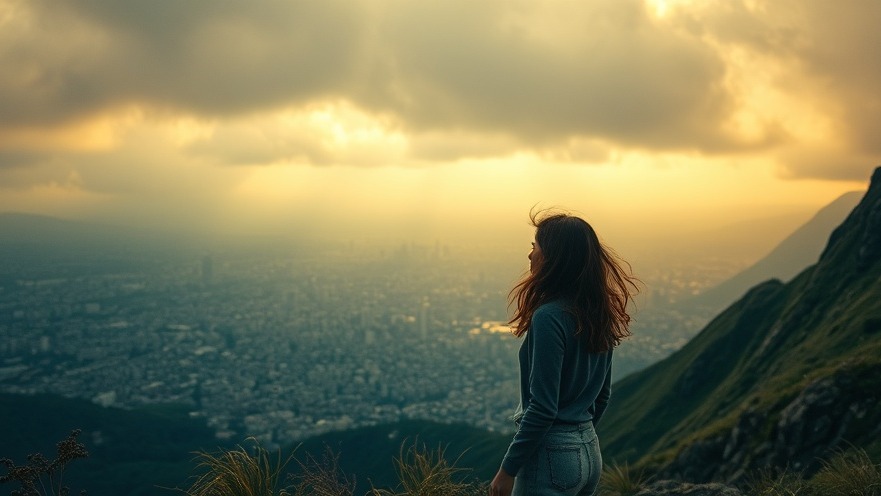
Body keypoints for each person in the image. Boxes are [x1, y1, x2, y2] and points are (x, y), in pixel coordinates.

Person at [490, 210, 639, 496]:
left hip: (552, 456)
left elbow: (543, 407)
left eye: (535, 246)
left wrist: (506, 471)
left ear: (553, 257)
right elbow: (602, 395)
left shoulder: (549, 317)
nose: (530, 255)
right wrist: (577, 436)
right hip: (590, 451)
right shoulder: (597, 313)